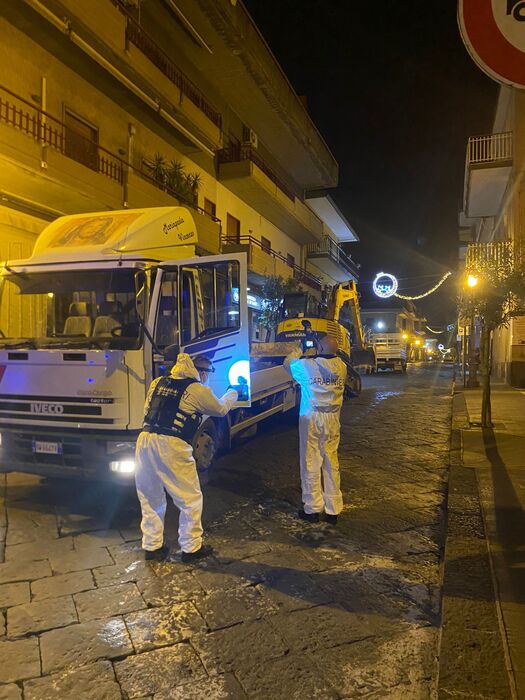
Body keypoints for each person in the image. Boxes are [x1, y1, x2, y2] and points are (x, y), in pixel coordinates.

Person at [135, 353, 238, 562]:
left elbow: (148, 409)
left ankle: (152, 547)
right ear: (202, 372)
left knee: (150, 496)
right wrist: (233, 392)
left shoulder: (158, 382)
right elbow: (219, 409)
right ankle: (191, 548)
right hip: (172, 444)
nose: (208, 377)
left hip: (145, 440)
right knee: (189, 498)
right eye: (209, 373)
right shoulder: (196, 388)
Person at [284, 335, 347, 525]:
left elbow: (287, 364)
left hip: (312, 417)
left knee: (311, 461)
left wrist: (299, 350)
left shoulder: (307, 366)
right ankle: (333, 509)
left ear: (319, 348)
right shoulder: (342, 367)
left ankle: (312, 509)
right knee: (331, 461)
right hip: (333, 419)